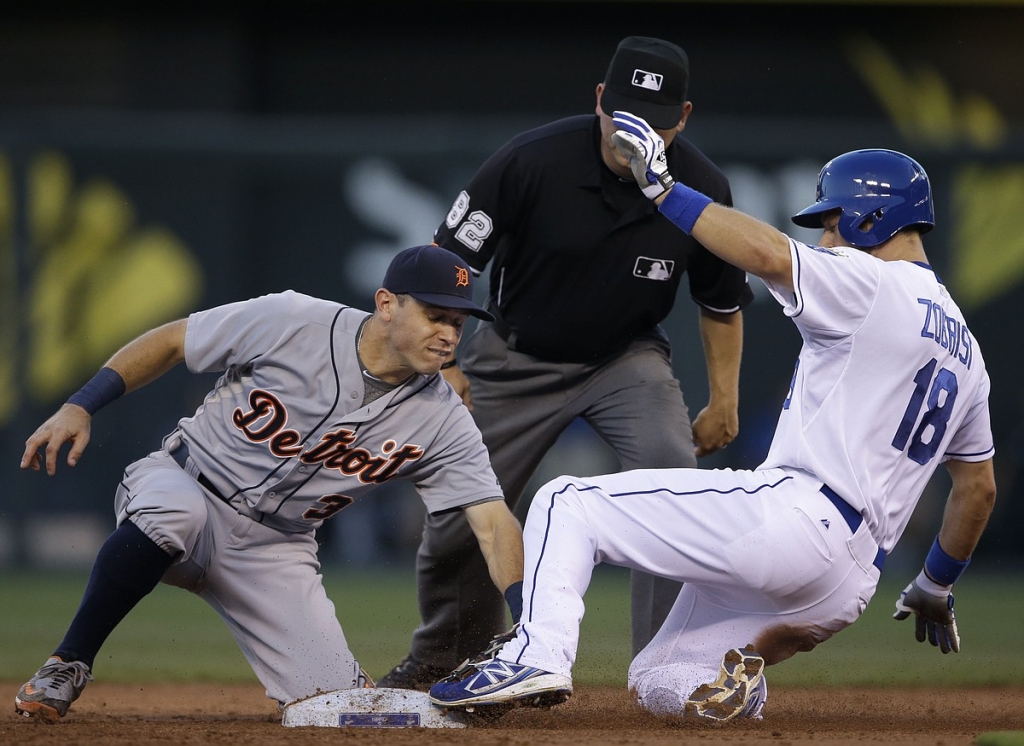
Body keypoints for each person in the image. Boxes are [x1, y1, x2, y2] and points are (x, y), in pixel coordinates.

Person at [427, 138, 997, 721]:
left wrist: (666, 192)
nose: (826, 240)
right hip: (849, 583)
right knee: (659, 677)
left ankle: (535, 654)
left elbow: (770, 253)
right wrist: (934, 585)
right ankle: (738, 690)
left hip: (799, 520)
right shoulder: (969, 356)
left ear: (872, 217)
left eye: (831, 223)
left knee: (566, 502)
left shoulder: (871, 281)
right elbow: (978, 489)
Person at [379, 35, 753, 690]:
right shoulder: (530, 161)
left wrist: (724, 399)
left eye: (655, 121)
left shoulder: (700, 186)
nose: (634, 133)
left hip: (624, 359)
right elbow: (448, 264)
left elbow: (721, 303)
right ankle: (448, 654)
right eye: (624, 113)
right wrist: (447, 360)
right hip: (514, 357)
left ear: (683, 118)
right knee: (460, 506)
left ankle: (670, 669)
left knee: (671, 478)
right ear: (601, 100)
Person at [14, 245, 526, 722]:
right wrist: (81, 404)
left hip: (276, 549)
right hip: (188, 483)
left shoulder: (444, 418)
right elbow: (174, 341)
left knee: (337, 705)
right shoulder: (295, 319)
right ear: (387, 304)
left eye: (458, 324)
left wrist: (528, 620)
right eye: (436, 317)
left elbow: (491, 521)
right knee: (175, 514)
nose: (448, 336)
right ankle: (69, 661)